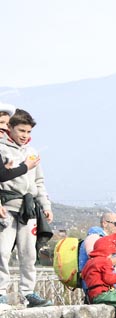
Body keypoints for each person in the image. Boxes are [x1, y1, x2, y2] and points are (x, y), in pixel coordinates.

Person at [0, 109, 52, 307]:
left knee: (29, 252)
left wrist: (46, 205)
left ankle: (28, 292)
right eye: (21, 130)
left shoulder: (32, 152)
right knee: (3, 251)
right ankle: (1, 291)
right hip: (7, 205)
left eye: (29, 132)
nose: (25, 136)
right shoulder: (2, 150)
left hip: (28, 208)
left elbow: (39, 182)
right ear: (10, 128)